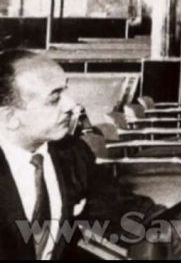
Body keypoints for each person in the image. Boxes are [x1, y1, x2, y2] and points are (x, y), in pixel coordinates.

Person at [0, 49, 162, 260]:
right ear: (10, 117)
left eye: (65, 91)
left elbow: (128, 214)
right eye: (54, 99)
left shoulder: (72, 154)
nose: (71, 105)